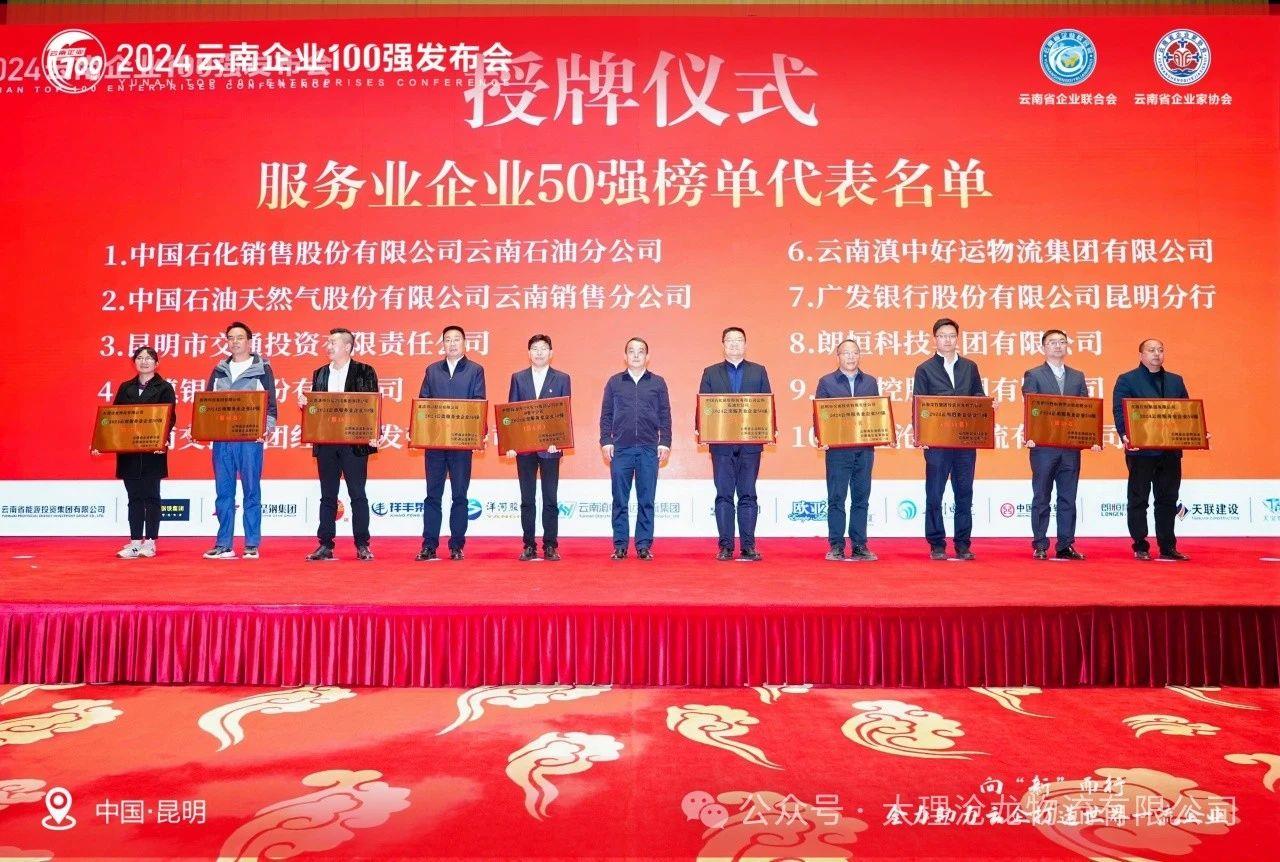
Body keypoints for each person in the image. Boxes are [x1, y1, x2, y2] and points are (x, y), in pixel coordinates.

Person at [303, 328, 382, 562]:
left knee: (357, 494)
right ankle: (325, 545)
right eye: (327, 342)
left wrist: (374, 433)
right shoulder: (320, 373)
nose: (328, 346)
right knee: (327, 495)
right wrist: (306, 405)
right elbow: (316, 409)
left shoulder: (365, 371)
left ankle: (362, 545)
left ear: (347, 347)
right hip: (327, 442)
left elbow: (372, 406)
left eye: (333, 343)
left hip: (354, 443)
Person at [912, 317, 987, 560]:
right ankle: (936, 544)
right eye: (942, 335)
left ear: (957, 338)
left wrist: (987, 404)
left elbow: (978, 395)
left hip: (964, 442)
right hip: (937, 443)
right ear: (935, 339)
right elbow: (918, 404)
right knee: (935, 493)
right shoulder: (924, 369)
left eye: (952, 335)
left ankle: (963, 544)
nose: (947, 340)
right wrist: (921, 435)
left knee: (964, 492)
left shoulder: (970, 367)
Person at [1113, 339, 1191, 561]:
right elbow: (1120, 411)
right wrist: (1125, 434)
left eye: (1160, 350)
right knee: (1138, 499)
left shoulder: (1176, 381)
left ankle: (1167, 546)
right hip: (1141, 450)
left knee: (1168, 499)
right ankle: (1140, 545)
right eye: (1151, 350)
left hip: (1170, 450)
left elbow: (1187, 412)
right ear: (1141, 355)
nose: (1157, 354)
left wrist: (1196, 432)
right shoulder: (1127, 379)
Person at [204, 321, 277, 560]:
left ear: (249, 341)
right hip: (222, 440)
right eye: (231, 338)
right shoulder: (219, 370)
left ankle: (251, 543)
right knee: (223, 493)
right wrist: (206, 428)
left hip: (249, 440)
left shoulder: (262, 369)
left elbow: (271, 406)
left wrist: (266, 429)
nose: (235, 342)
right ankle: (224, 543)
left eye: (240, 337)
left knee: (251, 491)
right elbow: (207, 404)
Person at [698, 327, 772, 561]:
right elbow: (704, 406)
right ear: (723, 345)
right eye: (729, 340)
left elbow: (767, 404)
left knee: (748, 494)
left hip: (750, 444)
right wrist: (701, 427)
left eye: (739, 340)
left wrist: (770, 427)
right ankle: (726, 547)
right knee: (724, 495)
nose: (734, 344)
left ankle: (748, 546)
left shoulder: (758, 371)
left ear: (745, 344)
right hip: (721, 445)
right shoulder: (711, 372)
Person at [1022, 329, 1097, 561]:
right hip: (1044, 447)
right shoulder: (1033, 374)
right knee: (1042, 497)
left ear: (1067, 346)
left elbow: (1085, 411)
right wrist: (1031, 434)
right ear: (1043, 347)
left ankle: (1065, 545)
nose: (1057, 346)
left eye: (1062, 342)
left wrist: (1091, 438)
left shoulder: (1077, 376)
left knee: (1068, 498)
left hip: (1070, 448)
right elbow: (1032, 408)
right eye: (1052, 342)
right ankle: (1040, 544)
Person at [95, 346, 176, 558]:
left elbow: (169, 417)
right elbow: (114, 418)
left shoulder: (164, 387)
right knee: (134, 497)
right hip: (129, 452)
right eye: (140, 357)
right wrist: (102, 442)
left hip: (152, 450)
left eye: (149, 358)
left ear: (157, 363)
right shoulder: (125, 388)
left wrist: (161, 441)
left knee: (152, 497)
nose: (144, 361)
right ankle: (134, 542)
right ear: (134, 362)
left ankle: (150, 542)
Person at [417, 324, 486, 561]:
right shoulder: (432, 370)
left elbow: (478, 402)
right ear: (443, 344)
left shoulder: (475, 370)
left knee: (460, 496)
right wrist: (417, 430)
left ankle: (457, 545)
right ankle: (429, 545)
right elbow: (424, 403)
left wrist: (478, 432)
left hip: (460, 444)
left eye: (457, 339)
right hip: (435, 444)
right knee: (432, 496)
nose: (452, 343)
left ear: (465, 343)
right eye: (448, 339)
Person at [599, 337, 671, 560]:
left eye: (641, 351)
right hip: (621, 449)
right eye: (631, 351)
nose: (636, 355)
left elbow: (665, 415)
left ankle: (643, 545)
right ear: (625, 356)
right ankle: (620, 545)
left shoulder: (658, 383)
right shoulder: (614, 382)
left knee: (646, 499)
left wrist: (665, 442)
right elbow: (606, 414)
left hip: (649, 449)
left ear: (647, 357)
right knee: (620, 500)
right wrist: (606, 441)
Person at [506, 334, 571, 562]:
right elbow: (511, 413)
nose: (539, 352)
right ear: (529, 353)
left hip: (550, 448)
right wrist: (512, 444)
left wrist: (559, 440)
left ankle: (550, 545)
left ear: (551, 353)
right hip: (524, 449)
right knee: (527, 499)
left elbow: (563, 413)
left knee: (550, 498)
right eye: (535, 348)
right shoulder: (518, 378)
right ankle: (529, 545)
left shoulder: (562, 378)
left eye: (543, 348)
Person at [815, 340, 879, 561]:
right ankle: (836, 546)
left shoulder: (870, 382)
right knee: (836, 498)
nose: (851, 357)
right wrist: (821, 436)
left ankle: (860, 545)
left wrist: (884, 434)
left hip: (864, 449)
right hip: (838, 451)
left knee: (861, 498)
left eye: (855, 353)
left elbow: (876, 414)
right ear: (838, 356)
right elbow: (820, 414)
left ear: (859, 355)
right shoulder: (826, 382)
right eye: (846, 353)